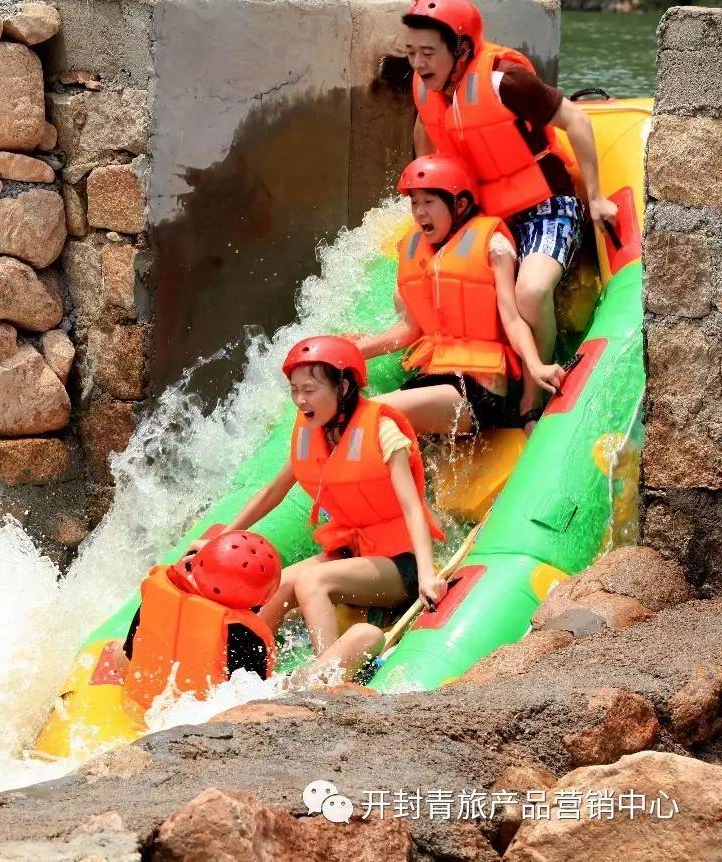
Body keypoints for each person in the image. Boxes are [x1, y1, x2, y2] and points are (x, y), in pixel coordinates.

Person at [402, 0, 618, 429]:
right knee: (422, 281)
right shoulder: (426, 87)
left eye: (428, 53)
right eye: (412, 52)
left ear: (461, 49)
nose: (419, 63)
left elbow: (576, 121)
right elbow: (425, 129)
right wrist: (427, 202)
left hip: (545, 208)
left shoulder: (505, 80)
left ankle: (532, 396)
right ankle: (444, 376)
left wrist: (595, 197)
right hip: (485, 216)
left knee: (530, 293)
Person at [187, 337, 447, 675]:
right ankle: (244, 673)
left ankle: (331, 673)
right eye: (295, 390)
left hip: (401, 561)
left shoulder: (382, 430)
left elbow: (413, 508)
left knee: (312, 581)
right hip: (350, 550)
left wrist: (428, 575)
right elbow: (271, 493)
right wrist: (218, 541)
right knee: (275, 586)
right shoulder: (313, 433)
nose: (300, 400)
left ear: (343, 386)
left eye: (309, 390)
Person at [355, 154, 565, 436]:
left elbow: (513, 320)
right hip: (433, 378)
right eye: (414, 203)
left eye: (428, 202)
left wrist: (535, 364)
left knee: (367, 415)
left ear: (460, 204)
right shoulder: (414, 249)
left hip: (477, 390)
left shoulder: (494, 245)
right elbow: (410, 329)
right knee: (364, 426)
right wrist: (356, 352)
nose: (419, 213)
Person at [122, 529, 280, 713]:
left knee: (116, 649)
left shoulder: (158, 593)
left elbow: (129, 655)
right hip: (199, 722)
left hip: (141, 705)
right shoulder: (246, 633)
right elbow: (253, 696)